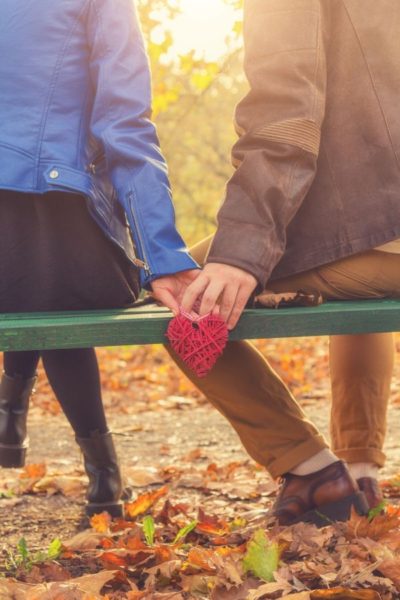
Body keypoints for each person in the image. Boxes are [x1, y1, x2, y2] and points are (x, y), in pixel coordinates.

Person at [166, 0, 400, 526]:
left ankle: (308, 466)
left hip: (377, 224)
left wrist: (240, 254)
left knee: (177, 293)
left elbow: (284, 113)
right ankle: (360, 468)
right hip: (383, 231)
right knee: (366, 290)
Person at [0, 0, 197, 517]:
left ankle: (11, 406)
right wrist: (163, 256)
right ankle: (104, 475)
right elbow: (126, 128)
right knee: (56, 277)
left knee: (32, 272)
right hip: (60, 239)